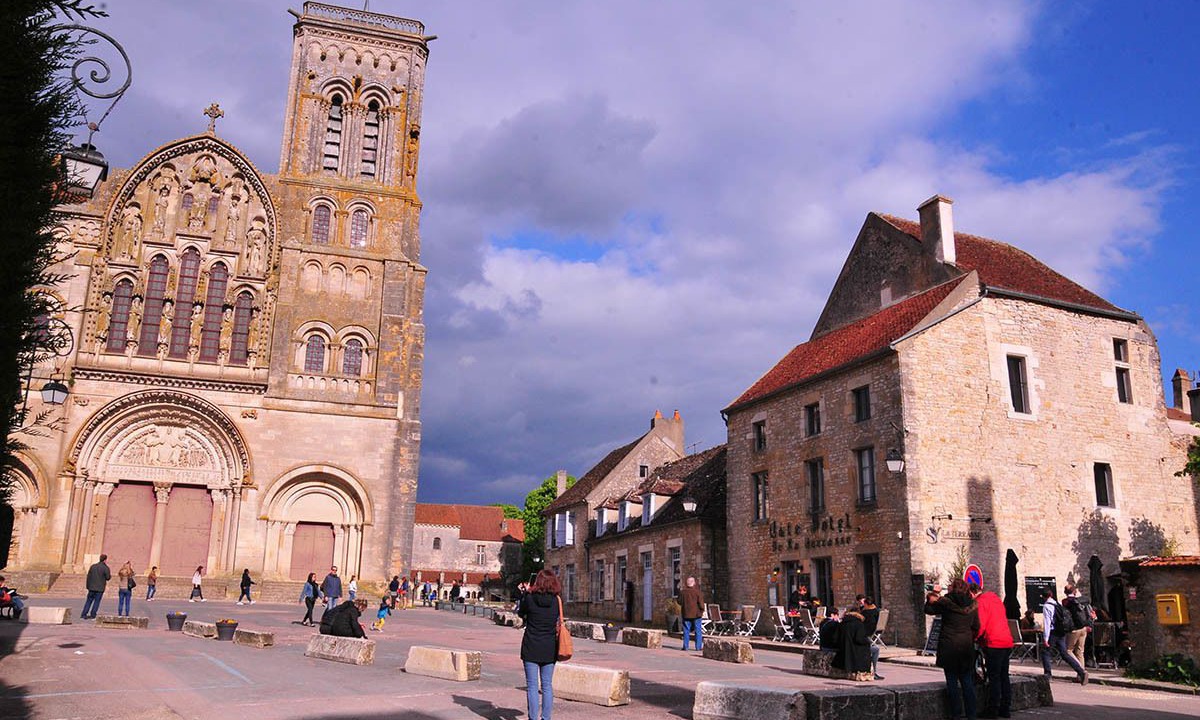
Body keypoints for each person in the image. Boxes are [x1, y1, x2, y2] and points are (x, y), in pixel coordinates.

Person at [926, 579, 981, 720]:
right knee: (967, 682)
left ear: (953, 588)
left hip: (949, 646)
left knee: (952, 683)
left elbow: (929, 610)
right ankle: (972, 714)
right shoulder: (973, 605)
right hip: (965, 647)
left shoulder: (945, 602)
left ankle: (956, 714)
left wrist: (932, 595)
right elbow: (976, 626)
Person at [518, 569, 562, 720]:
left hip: (531, 645)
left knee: (532, 685)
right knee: (547, 686)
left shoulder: (530, 598)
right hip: (549, 647)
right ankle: (546, 717)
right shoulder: (557, 601)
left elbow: (520, 613)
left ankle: (533, 718)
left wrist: (524, 593)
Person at [970, 582, 1014, 719]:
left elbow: (980, 625)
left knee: (994, 677)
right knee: (1004, 676)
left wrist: (974, 637)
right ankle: (1005, 708)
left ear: (971, 593)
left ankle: (993, 709)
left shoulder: (981, 602)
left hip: (993, 643)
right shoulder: (996, 599)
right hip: (1006, 640)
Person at [1041, 589, 1087, 684]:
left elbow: (1047, 622)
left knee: (1046, 653)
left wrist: (1045, 638)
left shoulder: (1047, 606)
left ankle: (1048, 675)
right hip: (1061, 632)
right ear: (1051, 595)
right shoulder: (1057, 604)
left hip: (1053, 633)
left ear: (1044, 597)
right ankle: (1081, 671)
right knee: (1065, 654)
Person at [1062, 584, 1094, 669]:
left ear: (1065, 592)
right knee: (1080, 652)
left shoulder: (1066, 602)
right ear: (1075, 591)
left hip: (1074, 630)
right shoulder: (1082, 601)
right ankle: (1081, 674)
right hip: (1084, 628)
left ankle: (1080, 669)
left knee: (1068, 651)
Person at [833, 607, 871, 677]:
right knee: (874, 649)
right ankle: (873, 673)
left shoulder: (842, 623)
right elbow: (859, 639)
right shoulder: (859, 624)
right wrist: (867, 641)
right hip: (855, 649)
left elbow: (835, 638)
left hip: (843, 650)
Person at [858, 595, 885, 680]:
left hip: (864, 635)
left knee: (872, 649)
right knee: (874, 649)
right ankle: (874, 671)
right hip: (872, 633)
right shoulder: (877, 611)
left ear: (866, 604)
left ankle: (872, 672)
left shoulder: (864, 613)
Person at [679, 577, 704, 652]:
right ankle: (698, 647)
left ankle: (686, 646)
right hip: (696, 614)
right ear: (694, 583)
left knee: (686, 630)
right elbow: (701, 604)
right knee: (698, 631)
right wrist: (702, 611)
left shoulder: (682, 592)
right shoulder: (698, 592)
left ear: (687, 584)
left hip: (686, 614)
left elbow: (679, 602)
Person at [82, 554, 111, 619]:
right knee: (96, 602)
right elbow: (108, 578)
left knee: (88, 601)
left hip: (91, 588)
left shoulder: (93, 566)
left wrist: (88, 586)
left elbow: (88, 577)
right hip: (100, 589)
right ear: (105, 560)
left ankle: (84, 613)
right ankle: (93, 614)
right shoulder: (105, 568)